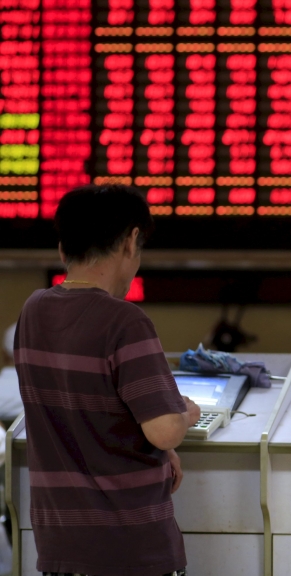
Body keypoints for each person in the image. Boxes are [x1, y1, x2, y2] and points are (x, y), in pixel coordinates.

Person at [13, 185, 201, 576]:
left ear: (64, 249)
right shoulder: (126, 321)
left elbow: (84, 410)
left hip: (59, 545)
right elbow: (165, 431)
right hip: (128, 548)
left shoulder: (33, 311)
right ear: (132, 241)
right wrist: (186, 412)